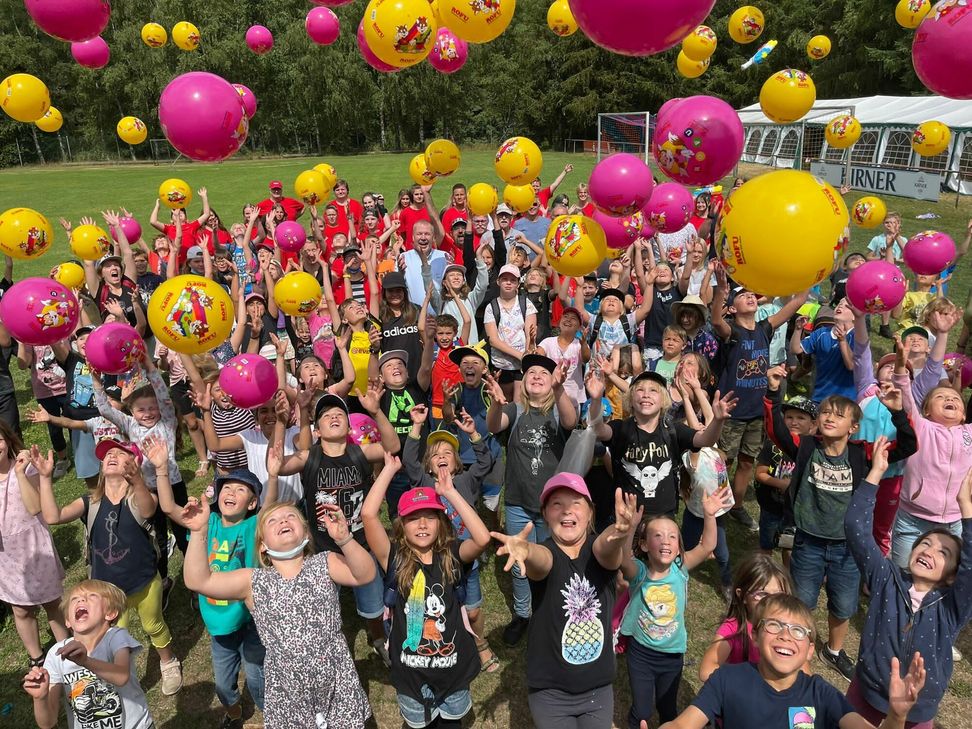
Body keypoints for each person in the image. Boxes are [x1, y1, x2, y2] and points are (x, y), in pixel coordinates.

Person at [763, 365, 917, 681]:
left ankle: (833, 651)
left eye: (839, 415)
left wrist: (899, 414)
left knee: (843, 605)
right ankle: (798, 651)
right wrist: (774, 392)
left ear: (853, 427)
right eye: (826, 413)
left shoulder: (863, 455)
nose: (830, 417)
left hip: (848, 548)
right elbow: (776, 430)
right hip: (808, 542)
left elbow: (909, 445)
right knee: (801, 602)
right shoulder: (807, 447)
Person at [182, 497, 373, 728]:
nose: (283, 520)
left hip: (336, 678)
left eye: (291, 516)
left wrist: (345, 540)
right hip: (287, 690)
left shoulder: (326, 562)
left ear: (306, 534)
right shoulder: (253, 581)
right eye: (272, 520)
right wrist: (199, 531)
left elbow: (364, 575)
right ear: (262, 544)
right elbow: (198, 580)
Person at [36, 439, 183, 695]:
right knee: (116, 636)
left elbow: (148, 510)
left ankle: (168, 662)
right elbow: (52, 517)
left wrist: (137, 480)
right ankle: (123, 676)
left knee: (153, 625)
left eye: (119, 453)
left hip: (145, 581)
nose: (111, 456)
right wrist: (45, 478)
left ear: (134, 463)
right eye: (107, 455)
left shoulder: (139, 496)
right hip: (108, 591)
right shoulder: (89, 503)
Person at [491, 474, 638, 729]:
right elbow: (542, 561)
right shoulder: (547, 552)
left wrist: (618, 533)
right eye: (557, 504)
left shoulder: (599, 550)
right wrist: (526, 551)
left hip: (598, 690)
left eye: (576, 503)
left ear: (590, 513)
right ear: (545, 515)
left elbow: (607, 549)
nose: (567, 509)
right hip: (551, 694)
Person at [845, 435, 972, 727]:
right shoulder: (886, 577)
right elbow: (856, 528)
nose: (929, 550)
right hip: (865, 694)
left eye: (944, 552)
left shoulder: (952, 607)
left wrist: (966, 505)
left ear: (954, 573)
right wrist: (875, 473)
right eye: (925, 544)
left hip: (917, 709)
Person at [655, 594, 927, 729]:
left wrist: (896, 715)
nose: (786, 635)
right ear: (757, 635)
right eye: (774, 625)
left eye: (798, 631)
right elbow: (682, 725)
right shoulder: (726, 679)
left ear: (810, 650)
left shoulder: (821, 694)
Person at [362, 450, 491, 728]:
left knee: (451, 723)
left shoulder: (452, 554)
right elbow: (369, 515)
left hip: (453, 671)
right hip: (411, 676)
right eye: (413, 518)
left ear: (441, 522)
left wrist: (450, 493)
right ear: (401, 525)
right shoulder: (394, 558)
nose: (422, 524)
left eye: (430, 517)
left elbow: (481, 538)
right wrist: (388, 471)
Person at [145, 435, 266, 728]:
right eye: (227, 487)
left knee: (258, 678)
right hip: (218, 625)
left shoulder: (253, 526)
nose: (231, 492)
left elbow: (270, 503)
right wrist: (161, 469)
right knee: (224, 687)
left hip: (251, 619)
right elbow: (169, 508)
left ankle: (273, 714)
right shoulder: (206, 523)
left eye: (241, 490)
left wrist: (272, 475)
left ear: (252, 504)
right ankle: (235, 713)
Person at [620, 487, 733, 727]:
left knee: (668, 707)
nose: (665, 541)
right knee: (641, 709)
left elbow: (707, 546)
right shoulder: (638, 572)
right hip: (640, 654)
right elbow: (622, 560)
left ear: (679, 546)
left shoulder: (680, 568)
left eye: (672, 536)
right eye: (657, 536)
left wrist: (710, 515)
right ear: (643, 545)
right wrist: (630, 527)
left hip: (672, 656)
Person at [485, 354, 578, 645]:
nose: (537, 376)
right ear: (523, 381)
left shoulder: (557, 411)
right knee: (519, 560)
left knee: (555, 558)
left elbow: (571, 420)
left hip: (553, 506)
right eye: (531, 373)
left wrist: (561, 391)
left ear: (553, 381)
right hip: (517, 503)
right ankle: (523, 614)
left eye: (544, 373)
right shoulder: (515, 411)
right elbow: (493, 426)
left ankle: (554, 610)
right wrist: (498, 405)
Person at [711, 263, 809, 532]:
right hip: (731, 411)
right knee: (724, 461)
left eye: (752, 294)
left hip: (757, 411)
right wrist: (721, 291)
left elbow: (798, 300)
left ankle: (737, 506)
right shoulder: (732, 332)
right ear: (733, 307)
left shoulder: (765, 328)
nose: (750, 296)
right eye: (742, 296)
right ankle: (716, 507)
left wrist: (810, 272)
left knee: (746, 461)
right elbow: (717, 320)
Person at [401, 407, 498, 672]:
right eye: (435, 455)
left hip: (467, 558)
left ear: (456, 463)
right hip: (437, 563)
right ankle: (448, 643)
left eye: (447, 454)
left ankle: (480, 644)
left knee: (474, 610)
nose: (441, 457)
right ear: (429, 465)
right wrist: (417, 426)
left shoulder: (466, 481)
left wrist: (474, 435)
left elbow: (485, 463)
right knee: (443, 608)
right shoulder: (423, 483)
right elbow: (409, 461)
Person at [22, 579, 154, 729]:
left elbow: (122, 676)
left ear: (110, 613)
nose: (81, 599)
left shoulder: (116, 637)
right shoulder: (56, 655)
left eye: (91, 596)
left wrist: (86, 661)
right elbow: (48, 722)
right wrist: (40, 698)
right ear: (67, 621)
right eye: (74, 599)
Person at [2, 431, 68, 667]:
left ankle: (66, 651)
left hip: (34, 545)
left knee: (52, 603)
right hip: (5, 555)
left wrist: (19, 474)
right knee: (20, 609)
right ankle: (36, 657)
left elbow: (34, 507)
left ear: (8, 440)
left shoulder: (24, 468)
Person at [698, 553, 794, 681]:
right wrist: (746, 684)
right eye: (761, 594)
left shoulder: (791, 629)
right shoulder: (733, 629)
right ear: (741, 595)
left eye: (778, 595)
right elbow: (706, 670)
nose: (770, 601)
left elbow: (804, 671)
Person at [754, 395, 817, 564]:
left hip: (797, 511)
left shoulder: (814, 450)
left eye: (801, 418)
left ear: (813, 425)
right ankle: (762, 574)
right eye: (789, 417)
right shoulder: (772, 445)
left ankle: (787, 579)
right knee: (766, 544)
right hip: (772, 507)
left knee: (789, 547)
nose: (794, 422)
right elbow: (759, 473)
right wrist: (781, 483)